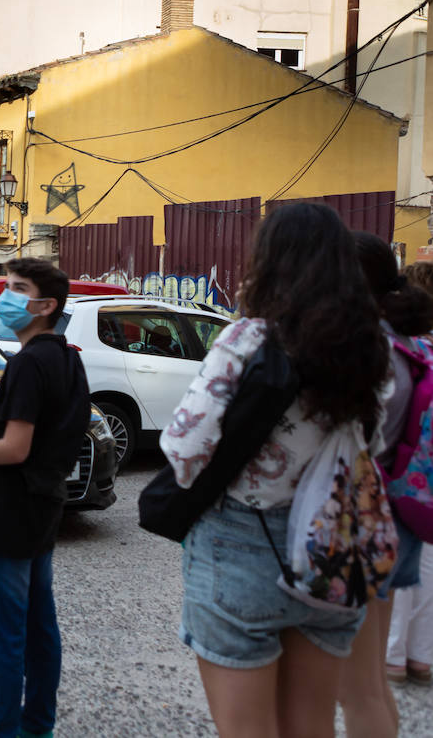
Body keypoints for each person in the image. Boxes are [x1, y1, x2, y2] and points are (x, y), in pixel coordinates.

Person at [156, 203, 391, 738]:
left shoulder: (248, 339)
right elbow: (371, 443)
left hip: (243, 540)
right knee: (311, 725)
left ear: (270, 260)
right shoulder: (370, 348)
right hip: (333, 542)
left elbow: (185, 452)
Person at [0, 257, 89, 738]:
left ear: (45, 305)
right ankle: (37, 727)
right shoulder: (68, 357)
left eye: (17, 288)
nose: (4, 296)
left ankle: (1, 731)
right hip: (44, 505)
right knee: (39, 629)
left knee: (5, 637)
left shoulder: (29, 364)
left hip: (10, 513)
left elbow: (15, 447)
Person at [337, 232, 433, 737]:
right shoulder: (412, 344)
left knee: (360, 688)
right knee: (370, 683)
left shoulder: (372, 351)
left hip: (370, 515)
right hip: (403, 506)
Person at [388, 260, 433, 685]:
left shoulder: (409, 350)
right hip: (427, 476)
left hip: (405, 475)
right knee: (427, 570)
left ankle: (395, 657)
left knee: (401, 567)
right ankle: (419, 657)